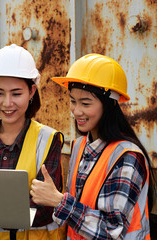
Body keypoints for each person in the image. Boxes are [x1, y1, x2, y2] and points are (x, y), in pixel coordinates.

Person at [30, 53, 154, 239]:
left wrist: (58, 201)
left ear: (109, 105)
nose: (76, 111)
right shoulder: (79, 146)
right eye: (73, 101)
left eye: (86, 103)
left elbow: (111, 231)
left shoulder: (128, 158)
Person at [0, 44, 67, 239]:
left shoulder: (48, 140)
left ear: (32, 91)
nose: (7, 103)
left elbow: (44, 209)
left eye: (16, 94)